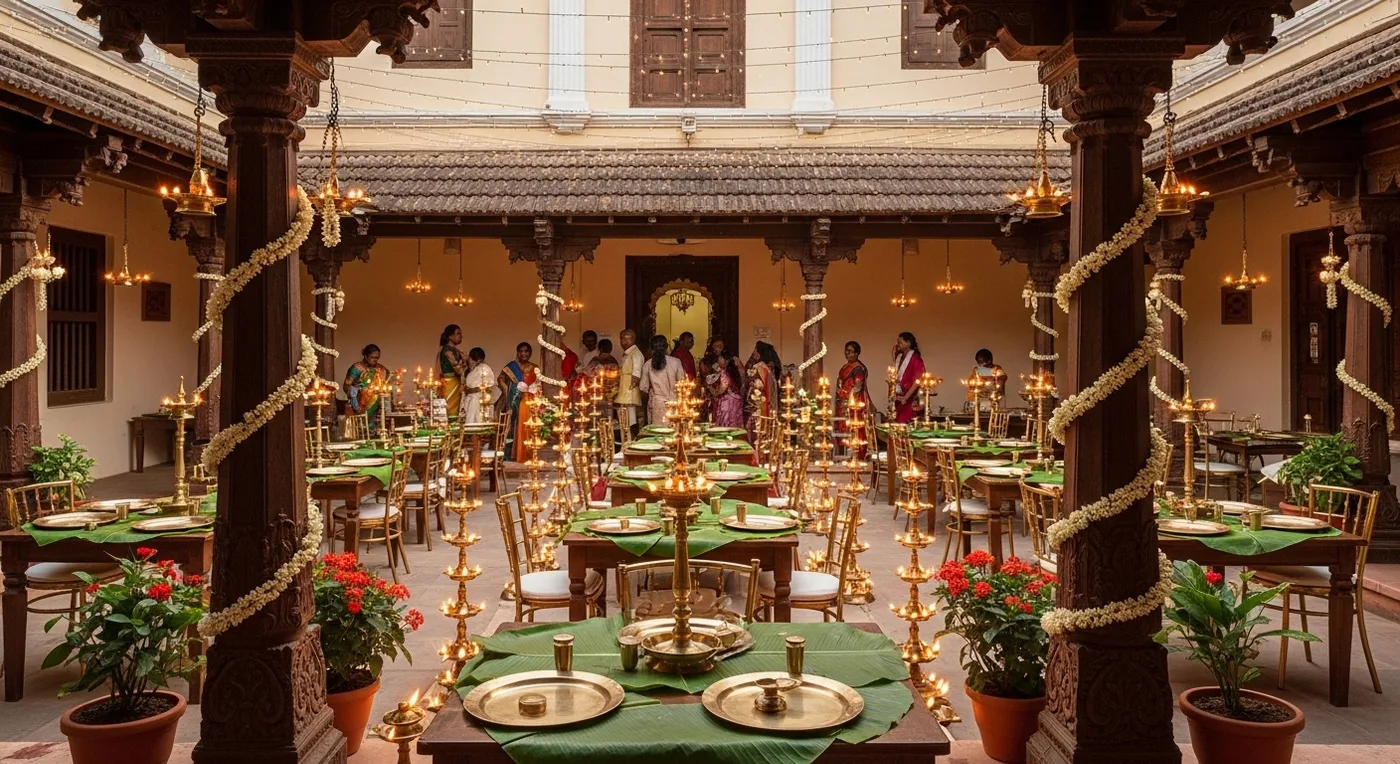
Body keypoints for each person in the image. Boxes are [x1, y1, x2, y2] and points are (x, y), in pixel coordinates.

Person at [498, 342, 541, 461]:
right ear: (517, 353)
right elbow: (500, 379)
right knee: (512, 425)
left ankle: (526, 452)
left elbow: (539, 384)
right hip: (513, 400)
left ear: (530, 353)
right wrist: (508, 391)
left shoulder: (534, 368)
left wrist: (534, 389)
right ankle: (510, 454)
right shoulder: (511, 366)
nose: (524, 354)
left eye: (526, 351)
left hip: (529, 401)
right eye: (521, 351)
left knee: (527, 425)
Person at [640, 335, 687, 425]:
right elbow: (682, 383)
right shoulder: (676, 362)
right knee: (673, 434)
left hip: (656, 404)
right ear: (666, 347)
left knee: (657, 433)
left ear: (652, 348)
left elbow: (643, 387)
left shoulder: (648, 364)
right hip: (674, 402)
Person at [344, 344, 392, 429]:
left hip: (377, 404)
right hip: (360, 403)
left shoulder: (381, 369)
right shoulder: (356, 369)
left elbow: (387, 381)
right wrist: (361, 390)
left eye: (377, 358)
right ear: (365, 356)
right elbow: (347, 387)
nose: (375, 360)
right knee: (362, 427)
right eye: (372, 357)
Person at [836, 341, 871, 452]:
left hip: (853, 401)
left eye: (850, 351)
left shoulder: (858, 368)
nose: (847, 353)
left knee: (853, 426)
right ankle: (843, 451)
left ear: (857, 353)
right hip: (842, 400)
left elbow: (858, 385)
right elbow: (840, 381)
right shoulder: (845, 366)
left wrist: (848, 397)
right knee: (841, 426)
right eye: (846, 351)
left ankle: (855, 453)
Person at [746, 341, 781, 436]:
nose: (754, 353)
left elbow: (759, 385)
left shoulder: (759, 367)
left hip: (759, 404)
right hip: (771, 404)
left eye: (756, 351)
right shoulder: (771, 368)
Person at [891, 332, 926, 424]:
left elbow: (919, 380)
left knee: (906, 423)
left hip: (910, 398)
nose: (898, 344)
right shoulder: (899, 357)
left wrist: (906, 397)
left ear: (908, 343)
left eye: (900, 342)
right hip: (898, 397)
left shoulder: (915, 358)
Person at [615, 329, 644, 438]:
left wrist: (632, 386)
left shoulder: (636, 353)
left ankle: (631, 437)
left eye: (628, 339)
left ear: (633, 340)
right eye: (622, 339)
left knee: (630, 415)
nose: (624, 342)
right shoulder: (628, 353)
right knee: (625, 415)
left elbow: (637, 372)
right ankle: (626, 437)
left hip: (629, 388)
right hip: (624, 387)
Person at [709, 349, 745, 428]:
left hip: (728, 403)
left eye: (719, 358)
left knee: (727, 423)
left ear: (724, 360)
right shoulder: (736, 371)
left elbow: (722, 390)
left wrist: (711, 389)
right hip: (737, 401)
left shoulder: (725, 373)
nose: (718, 360)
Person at [437, 324, 467, 418]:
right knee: (451, 408)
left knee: (456, 407)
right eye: (458, 333)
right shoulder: (447, 350)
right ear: (450, 336)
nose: (460, 336)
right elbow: (458, 369)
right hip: (450, 383)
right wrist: (465, 361)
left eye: (461, 333)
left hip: (454, 382)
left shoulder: (455, 350)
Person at [462, 347, 495, 425]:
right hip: (469, 399)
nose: (472, 362)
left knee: (479, 420)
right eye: (471, 359)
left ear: (480, 360)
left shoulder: (484, 368)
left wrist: (473, 390)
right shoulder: (467, 369)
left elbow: (488, 384)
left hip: (480, 399)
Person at [697, 337, 725, 421]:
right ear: (712, 347)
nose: (719, 348)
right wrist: (710, 388)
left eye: (721, 346)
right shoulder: (705, 361)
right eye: (717, 346)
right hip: (709, 392)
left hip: (723, 393)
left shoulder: (727, 360)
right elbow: (704, 376)